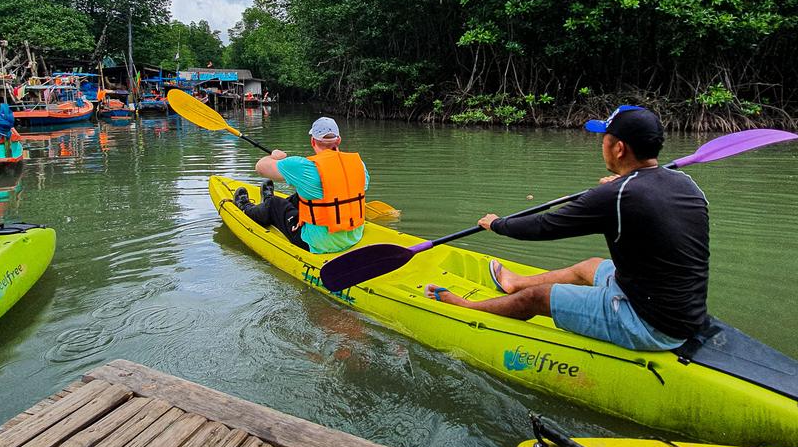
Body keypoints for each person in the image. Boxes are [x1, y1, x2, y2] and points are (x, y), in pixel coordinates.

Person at [424, 105, 709, 351]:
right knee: (591, 266)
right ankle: (514, 282)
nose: (602, 146)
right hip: (685, 313)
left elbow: (545, 226)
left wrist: (497, 224)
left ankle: (467, 307)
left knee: (537, 298)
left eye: (604, 139)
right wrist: (620, 185)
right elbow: (646, 197)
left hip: (647, 323)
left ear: (619, 148)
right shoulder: (685, 183)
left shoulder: (618, 196)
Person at [233, 116, 369, 254]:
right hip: (353, 237)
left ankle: (247, 208)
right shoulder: (359, 165)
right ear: (339, 140)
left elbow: (260, 167)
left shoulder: (303, 166)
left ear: (313, 141)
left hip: (318, 244)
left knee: (275, 203)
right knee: (302, 195)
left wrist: (275, 156)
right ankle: (268, 204)